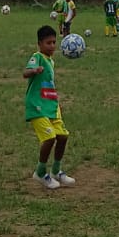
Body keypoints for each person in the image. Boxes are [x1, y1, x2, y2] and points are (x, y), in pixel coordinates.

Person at [23, 25, 75, 190]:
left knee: (63, 136)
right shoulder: (37, 57)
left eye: (54, 42)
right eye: (48, 43)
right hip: (37, 105)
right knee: (49, 138)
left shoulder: (51, 61)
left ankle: (56, 171)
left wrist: (56, 101)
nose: (52, 46)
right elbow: (25, 72)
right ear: (39, 44)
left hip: (51, 105)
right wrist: (34, 70)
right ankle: (40, 172)